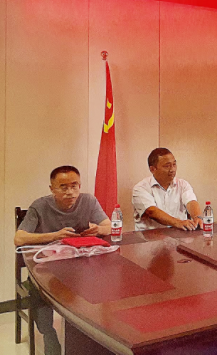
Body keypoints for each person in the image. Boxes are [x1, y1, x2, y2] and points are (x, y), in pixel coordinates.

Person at [14, 165, 111, 355]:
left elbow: (109, 226)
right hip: (46, 269)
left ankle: (89, 340)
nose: (70, 192)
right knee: (39, 293)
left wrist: (99, 229)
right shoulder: (39, 206)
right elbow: (19, 238)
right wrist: (54, 236)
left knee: (101, 288)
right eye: (63, 187)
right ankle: (49, 335)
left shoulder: (88, 201)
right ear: (52, 189)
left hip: (79, 268)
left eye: (74, 186)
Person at [132, 148, 202, 231]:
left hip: (179, 235)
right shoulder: (140, 188)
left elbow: (191, 202)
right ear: (152, 169)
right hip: (151, 237)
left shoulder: (183, 184)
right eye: (167, 166)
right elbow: (151, 211)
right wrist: (178, 223)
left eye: (174, 164)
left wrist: (197, 217)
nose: (172, 169)